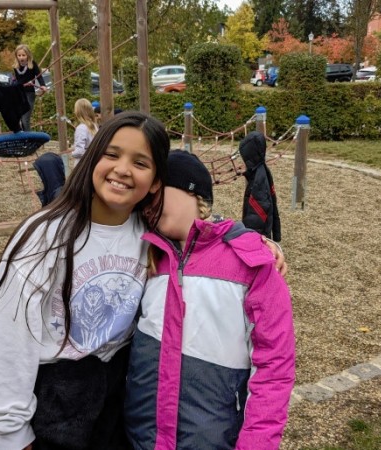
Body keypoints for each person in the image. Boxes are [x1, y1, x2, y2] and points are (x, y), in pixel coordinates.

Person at [0, 113, 287, 449]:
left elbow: (200, 234)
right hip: (42, 400)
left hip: (104, 405)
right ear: (92, 158)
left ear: (155, 182)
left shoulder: (148, 235)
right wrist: (11, 434)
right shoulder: (46, 236)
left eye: (140, 163)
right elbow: (7, 340)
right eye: (111, 154)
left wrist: (253, 242)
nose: (123, 169)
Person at [124, 150, 295, 449]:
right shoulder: (145, 254)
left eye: (156, 193)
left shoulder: (251, 262)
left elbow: (274, 368)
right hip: (143, 436)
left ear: (192, 192)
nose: (148, 205)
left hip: (211, 438)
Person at [239, 131, 281, 242]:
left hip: (259, 236)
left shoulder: (259, 179)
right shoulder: (261, 170)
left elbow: (256, 215)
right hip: (262, 232)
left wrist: (250, 238)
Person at [12, 44, 48, 132]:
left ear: (27, 55)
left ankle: (28, 137)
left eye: (23, 55)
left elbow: (39, 76)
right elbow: (17, 80)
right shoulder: (16, 66)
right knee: (19, 119)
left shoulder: (32, 64)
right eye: (19, 55)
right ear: (16, 56)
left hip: (29, 93)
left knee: (25, 119)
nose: (21, 57)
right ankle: (24, 136)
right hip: (20, 94)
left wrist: (43, 85)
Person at [71, 98, 98, 166]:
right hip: (92, 161)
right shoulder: (94, 126)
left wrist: (72, 153)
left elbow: (79, 151)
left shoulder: (81, 128)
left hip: (82, 163)